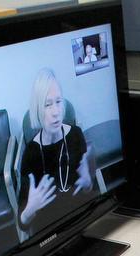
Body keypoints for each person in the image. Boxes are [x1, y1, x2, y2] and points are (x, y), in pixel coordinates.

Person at [17, 68, 95, 238]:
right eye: (47, 104)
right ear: (38, 109)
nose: (55, 112)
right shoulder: (31, 154)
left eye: (58, 101)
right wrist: (30, 209)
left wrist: (88, 183)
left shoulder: (75, 135)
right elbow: (22, 224)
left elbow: (89, 192)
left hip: (82, 224)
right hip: (51, 234)